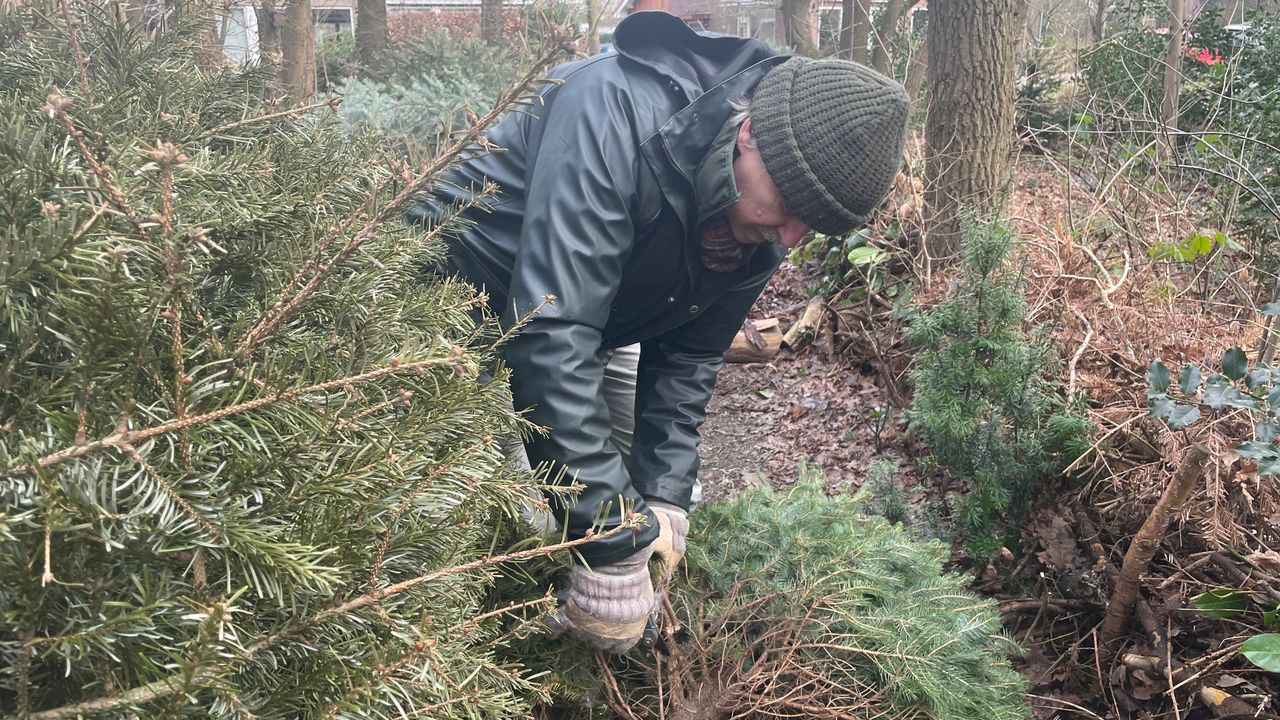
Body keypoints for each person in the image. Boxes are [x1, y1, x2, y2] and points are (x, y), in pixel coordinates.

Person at [408, 10, 909, 652]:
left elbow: (692, 354)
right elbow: (551, 327)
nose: (790, 238)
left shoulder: (760, 215)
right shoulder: (610, 107)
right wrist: (613, 543)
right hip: (444, 306)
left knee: (622, 490)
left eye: (810, 227)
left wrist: (664, 499)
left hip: (594, 315)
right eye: (788, 210)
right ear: (750, 133)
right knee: (451, 507)